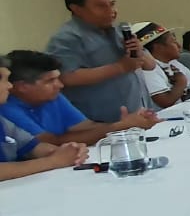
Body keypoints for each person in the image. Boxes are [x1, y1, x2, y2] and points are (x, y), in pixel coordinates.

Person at [45, 0, 158, 123]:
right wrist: (120, 67)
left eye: (112, 4)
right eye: (101, 6)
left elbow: (150, 65)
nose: (111, 11)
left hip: (138, 114)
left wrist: (139, 50)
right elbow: (67, 77)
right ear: (76, 9)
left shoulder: (119, 30)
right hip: (101, 124)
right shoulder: (67, 38)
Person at [0, 49, 159, 145]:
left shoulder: (52, 96)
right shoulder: (6, 107)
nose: (60, 85)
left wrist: (124, 123)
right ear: (22, 87)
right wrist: (118, 127)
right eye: (50, 81)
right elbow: (48, 142)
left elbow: (84, 127)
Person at [0, 56, 90, 180]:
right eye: (4, 80)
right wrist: (53, 161)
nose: (10, 86)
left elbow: (34, 147)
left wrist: (70, 151)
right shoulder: (7, 109)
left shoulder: (2, 122)